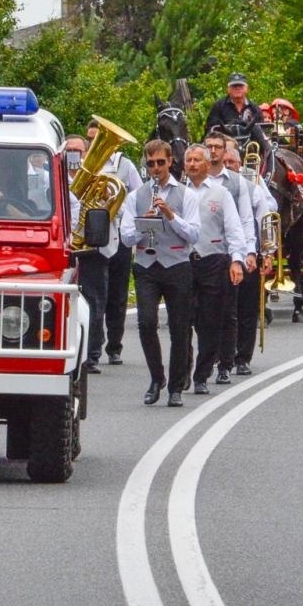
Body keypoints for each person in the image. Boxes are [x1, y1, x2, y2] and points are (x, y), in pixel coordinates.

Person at [120, 139, 201, 407]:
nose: (156, 168)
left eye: (161, 163)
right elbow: (126, 238)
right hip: (146, 266)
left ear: (170, 162)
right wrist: (145, 222)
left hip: (177, 264)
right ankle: (157, 378)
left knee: (179, 328)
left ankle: (176, 386)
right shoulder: (136, 196)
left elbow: (194, 234)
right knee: (146, 322)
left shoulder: (186, 194)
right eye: (151, 163)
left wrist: (170, 216)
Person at [182, 144, 246, 394]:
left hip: (213, 260)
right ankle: (183, 369)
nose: (192, 164)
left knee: (210, 321)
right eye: (189, 159)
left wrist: (237, 259)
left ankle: (202, 373)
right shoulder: (177, 193)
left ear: (208, 165)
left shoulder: (221, 193)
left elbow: (233, 229)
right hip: (184, 261)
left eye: (198, 159)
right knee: (183, 320)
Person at [92, 117, 144, 367]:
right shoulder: (85, 166)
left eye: (98, 140)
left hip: (120, 233)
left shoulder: (126, 165)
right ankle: (94, 342)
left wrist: (121, 211)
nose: (95, 144)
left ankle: (114, 345)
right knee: (94, 292)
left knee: (118, 293)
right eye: (92, 140)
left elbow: (139, 195)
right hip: (94, 236)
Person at [221, 138, 275, 374]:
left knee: (246, 308)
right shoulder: (214, 185)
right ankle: (223, 354)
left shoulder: (252, 183)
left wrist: (268, 252)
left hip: (249, 253)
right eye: (225, 162)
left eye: (232, 161)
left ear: (240, 163)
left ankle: (242, 358)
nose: (229, 165)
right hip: (222, 254)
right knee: (224, 308)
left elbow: (266, 216)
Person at [64, 134, 107, 375]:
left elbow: (117, 208)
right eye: (70, 150)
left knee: (93, 301)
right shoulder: (54, 177)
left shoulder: (99, 179)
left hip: (91, 246)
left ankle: (92, 355)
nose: (74, 155)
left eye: (79, 151)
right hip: (67, 248)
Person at [204, 72, 270, 155]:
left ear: (247, 88)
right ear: (228, 89)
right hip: (225, 148)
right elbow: (211, 130)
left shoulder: (254, 108)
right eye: (234, 86)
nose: (238, 88)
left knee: (268, 151)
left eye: (241, 86)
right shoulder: (218, 106)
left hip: (251, 149)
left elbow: (261, 131)